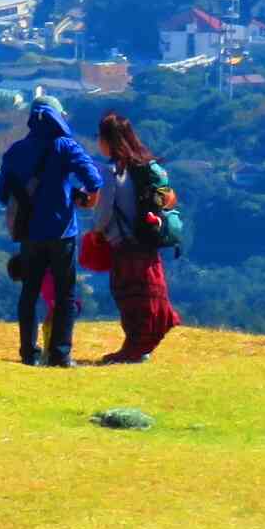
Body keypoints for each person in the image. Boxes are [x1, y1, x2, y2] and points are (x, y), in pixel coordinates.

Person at [0, 100, 104, 368]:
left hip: (29, 233)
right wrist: (81, 197)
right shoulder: (65, 147)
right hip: (62, 232)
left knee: (29, 293)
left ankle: (28, 354)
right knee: (65, 293)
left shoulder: (15, 151)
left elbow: (2, 194)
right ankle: (60, 354)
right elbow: (94, 180)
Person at [90, 112, 181, 365]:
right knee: (147, 297)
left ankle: (134, 349)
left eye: (100, 137)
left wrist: (96, 232)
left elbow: (104, 211)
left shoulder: (112, 174)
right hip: (148, 241)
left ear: (109, 140)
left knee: (129, 298)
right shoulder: (145, 167)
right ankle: (141, 347)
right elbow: (167, 198)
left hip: (124, 245)